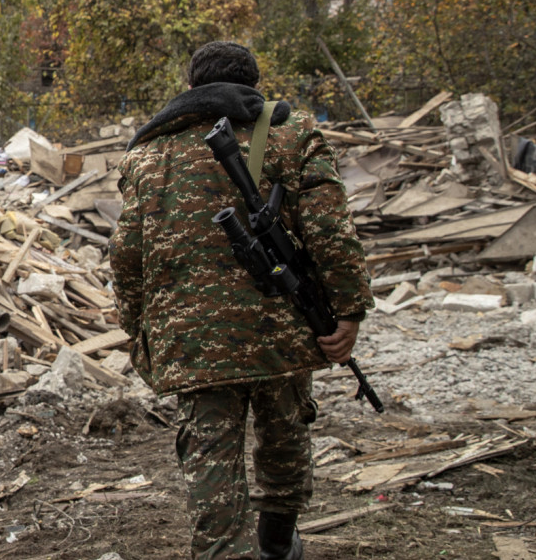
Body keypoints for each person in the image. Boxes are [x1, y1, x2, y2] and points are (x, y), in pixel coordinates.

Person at [110, 41, 372, 560]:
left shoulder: (146, 156)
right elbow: (329, 231)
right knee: (284, 431)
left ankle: (223, 551)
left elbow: (126, 256)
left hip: (192, 337)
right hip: (280, 325)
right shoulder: (293, 136)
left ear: (192, 87)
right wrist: (349, 310)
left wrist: (138, 329)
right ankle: (278, 539)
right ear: (254, 84)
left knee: (209, 451)